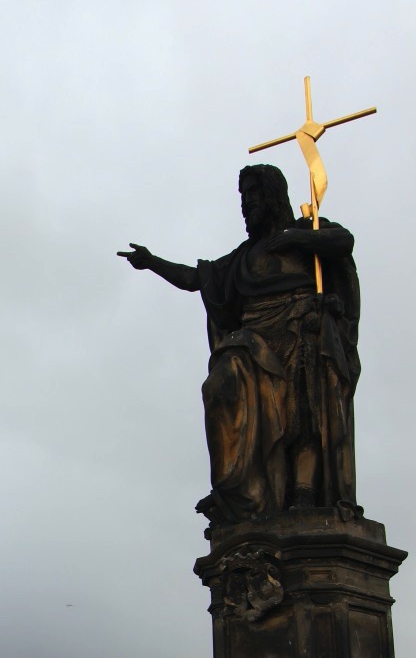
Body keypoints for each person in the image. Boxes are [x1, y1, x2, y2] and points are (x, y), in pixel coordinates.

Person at [119, 164, 361, 525]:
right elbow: (196, 278)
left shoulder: (307, 233)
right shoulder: (245, 257)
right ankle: (235, 490)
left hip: (300, 329)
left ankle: (304, 493)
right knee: (221, 384)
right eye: (243, 197)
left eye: (252, 195)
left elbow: (344, 242)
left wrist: (297, 238)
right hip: (256, 341)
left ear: (272, 196)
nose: (246, 204)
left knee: (303, 414)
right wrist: (151, 262)